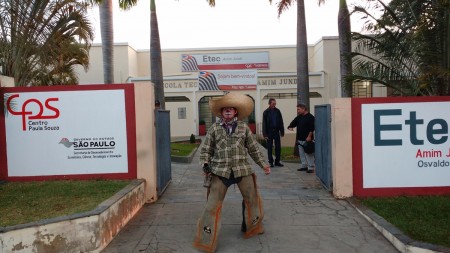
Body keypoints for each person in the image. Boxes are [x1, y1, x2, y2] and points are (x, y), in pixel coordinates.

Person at [193, 93, 271, 253]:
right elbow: (206, 149)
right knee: (212, 205)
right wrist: (205, 165)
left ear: (235, 112)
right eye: (225, 109)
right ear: (221, 113)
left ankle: (252, 226)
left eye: (231, 109)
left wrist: (263, 164)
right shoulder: (214, 128)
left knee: (252, 199)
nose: (228, 111)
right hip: (220, 171)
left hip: (242, 169)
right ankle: (206, 239)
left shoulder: (244, 128)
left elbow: (254, 148)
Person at [287, 103, 315, 173]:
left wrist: (309, 136)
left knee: (309, 154)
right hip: (299, 139)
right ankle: (304, 166)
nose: (298, 111)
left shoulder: (310, 117)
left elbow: (312, 128)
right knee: (302, 154)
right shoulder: (299, 117)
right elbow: (293, 123)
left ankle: (311, 168)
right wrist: (290, 127)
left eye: (299, 109)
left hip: (307, 139)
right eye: (297, 109)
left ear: (303, 109)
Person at [262, 98, 285, 167]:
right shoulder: (266, 112)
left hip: (276, 131)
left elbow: (281, 121)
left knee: (278, 147)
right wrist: (265, 134)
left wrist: (282, 131)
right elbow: (264, 124)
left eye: (275, 104)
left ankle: (277, 161)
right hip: (269, 132)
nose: (274, 105)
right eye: (273, 104)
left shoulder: (278, 111)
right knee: (269, 147)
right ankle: (271, 162)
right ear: (269, 104)